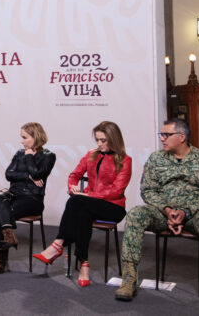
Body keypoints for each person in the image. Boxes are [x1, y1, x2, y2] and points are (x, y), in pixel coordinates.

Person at [115, 118, 199, 314]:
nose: (162, 139)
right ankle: (129, 279)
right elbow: (148, 190)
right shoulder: (156, 159)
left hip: (195, 213)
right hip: (162, 212)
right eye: (161, 134)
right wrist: (167, 209)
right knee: (135, 215)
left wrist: (186, 212)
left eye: (166, 135)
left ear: (182, 137)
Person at [32, 121, 132, 286]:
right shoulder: (91, 154)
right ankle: (83, 263)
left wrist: (87, 194)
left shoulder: (125, 160)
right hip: (89, 205)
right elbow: (74, 174)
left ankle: (58, 244)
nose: (99, 144)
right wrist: (73, 186)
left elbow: (116, 191)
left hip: (113, 207)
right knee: (82, 212)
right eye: (97, 140)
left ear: (114, 139)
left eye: (103, 140)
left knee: (77, 201)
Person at [0, 122, 56, 274]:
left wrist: (29, 158)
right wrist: (27, 176)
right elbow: (9, 174)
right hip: (14, 194)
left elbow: (37, 173)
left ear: (36, 137)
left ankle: (1, 255)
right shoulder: (19, 153)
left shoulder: (48, 156)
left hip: (33, 199)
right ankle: (8, 234)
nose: (21, 141)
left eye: (25, 137)